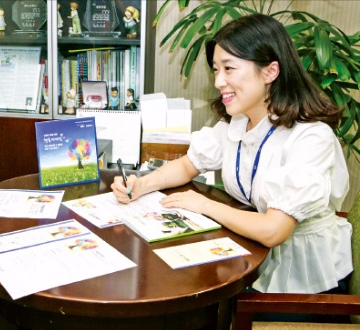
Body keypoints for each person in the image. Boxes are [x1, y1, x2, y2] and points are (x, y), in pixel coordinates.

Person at [112, 14, 352, 296]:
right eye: (216, 69)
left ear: (269, 72)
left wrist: (204, 205)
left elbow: (273, 230)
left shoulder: (311, 137)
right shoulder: (238, 123)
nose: (218, 81)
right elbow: (189, 164)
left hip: (303, 278)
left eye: (229, 68)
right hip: (250, 254)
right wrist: (143, 184)